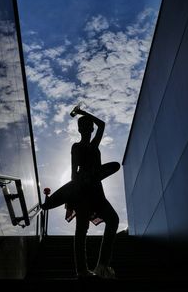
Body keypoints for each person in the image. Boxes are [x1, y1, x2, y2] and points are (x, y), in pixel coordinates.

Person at [41, 107, 120, 279]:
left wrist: (83, 112)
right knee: (81, 230)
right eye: (83, 125)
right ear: (79, 129)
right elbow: (72, 172)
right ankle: (82, 271)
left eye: (88, 125)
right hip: (81, 191)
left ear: (90, 128)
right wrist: (71, 196)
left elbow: (102, 124)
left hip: (97, 191)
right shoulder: (76, 146)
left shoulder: (94, 145)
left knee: (113, 219)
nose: (87, 128)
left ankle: (102, 265)